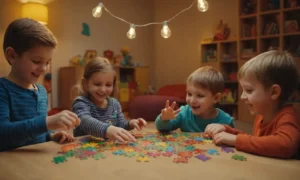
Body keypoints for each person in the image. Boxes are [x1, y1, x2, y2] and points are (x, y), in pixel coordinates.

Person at [0, 18, 80, 151]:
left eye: (48, 62)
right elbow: (3, 134)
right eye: (37, 61)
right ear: (12, 56)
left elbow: (35, 131)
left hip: (37, 165)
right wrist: (47, 123)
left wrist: (51, 135)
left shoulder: (42, 91)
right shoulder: (3, 89)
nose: (44, 68)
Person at [205, 50, 300, 158]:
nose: (242, 96)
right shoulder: (261, 116)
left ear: (274, 92)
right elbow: (258, 142)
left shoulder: (288, 117)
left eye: (249, 90)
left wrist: (236, 140)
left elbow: (285, 145)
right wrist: (228, 131)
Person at [72, 57, 147, 143]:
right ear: (86, 83)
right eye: (97, 84)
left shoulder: (115, 104)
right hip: (82, 151)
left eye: (108, 85)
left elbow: (120, 125)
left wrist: (130, 124)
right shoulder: (80, 102)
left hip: (107, 151)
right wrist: (107, 130)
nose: (103, 89)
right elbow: (84, 121)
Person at [155, 66, 234, 133]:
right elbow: (162, 128)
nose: (192, 100)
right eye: (189, 94)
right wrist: (164, 119)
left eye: (199, 95)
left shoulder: (226, 120)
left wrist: (224, 129)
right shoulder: (184, 113)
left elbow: (233, 140)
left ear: (216, 98)